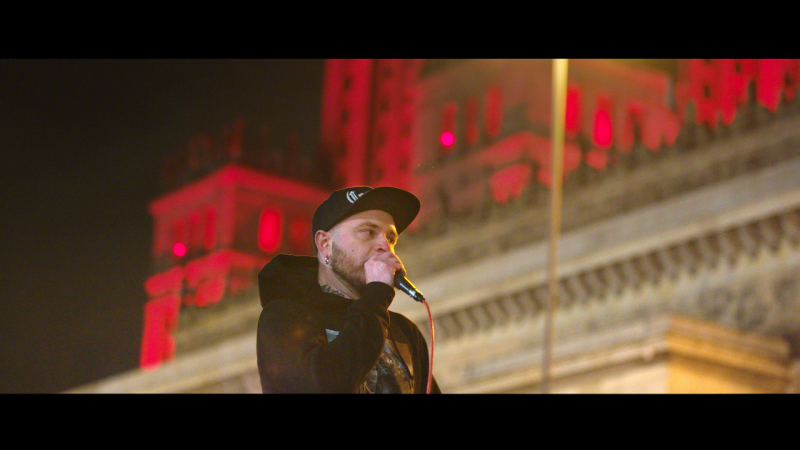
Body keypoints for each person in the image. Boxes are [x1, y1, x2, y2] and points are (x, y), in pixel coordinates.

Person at [256, 185, 441, 393]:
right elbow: (326, 384)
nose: (384, 246)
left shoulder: (405, 333)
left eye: (390, 238)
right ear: (325, 244)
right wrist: (378, 294)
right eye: (368, 232)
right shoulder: (285, 317)